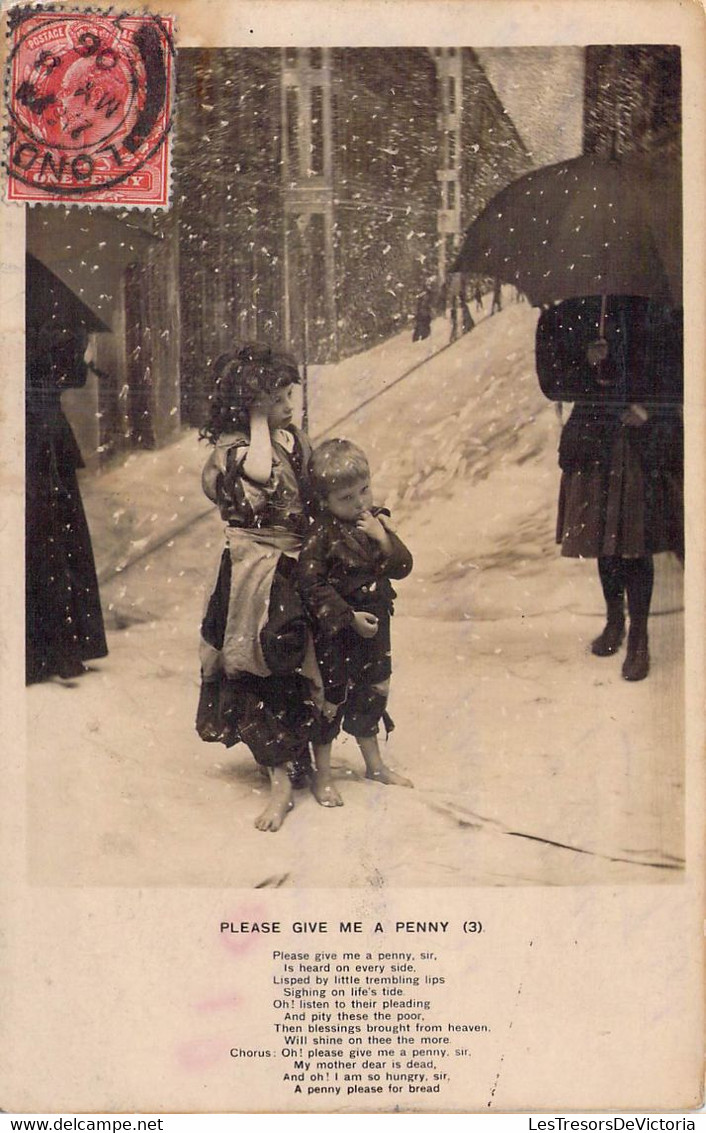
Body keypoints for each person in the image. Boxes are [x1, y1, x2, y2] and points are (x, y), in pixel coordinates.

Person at [195, 343, 321, 831]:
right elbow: (260, 475)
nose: (290, 405)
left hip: (291, 565)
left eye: (289, 395)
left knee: (296, 657)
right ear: (251, 404)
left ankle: (296, 754)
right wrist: (257, 421)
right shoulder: (237, 448)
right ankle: (278, 775)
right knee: (256, 661)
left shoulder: (288, 438)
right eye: (279, 397)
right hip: (253, 570)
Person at [541, 297, 684, 682]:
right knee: (606, 540)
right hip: (592, 441)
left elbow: (683, 364)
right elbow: (551, 384)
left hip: (639, 443)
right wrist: (586, 362)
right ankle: (614, 620)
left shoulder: (654, 304)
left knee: (634, 543)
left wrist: (651, 407)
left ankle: (639, 638)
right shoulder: (566, 311)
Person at [298, 438, 414, 806]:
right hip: (337, 632)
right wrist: (347, 617)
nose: (360, 502)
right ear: (325, 502)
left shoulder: (376, 521)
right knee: (331, 698)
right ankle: (324, 775)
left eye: (364, 490)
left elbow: (404, 567)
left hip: (377, 623)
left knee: (374, 689)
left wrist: (385, 539)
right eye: (347, 498)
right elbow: (310, 584)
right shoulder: (321, 535)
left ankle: (374, 764)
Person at [26, 321, 108, 683]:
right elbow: (71, 376)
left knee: (37, 536)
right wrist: (84, 352)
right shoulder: (50, 314)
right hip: (40, 431)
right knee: (53, 538)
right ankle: (56, 651)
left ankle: (34, 651)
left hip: (29, 429)